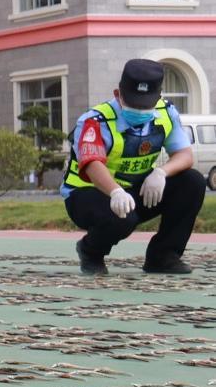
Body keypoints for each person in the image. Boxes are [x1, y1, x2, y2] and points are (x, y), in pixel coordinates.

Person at [63, 58, 204, 275]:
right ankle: (91, 251)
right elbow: (92, 164)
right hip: (88, 194)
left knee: (192, 182)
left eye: (146, 105)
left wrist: (161, 172)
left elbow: (184, 155)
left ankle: (163, 256)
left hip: (136, 191)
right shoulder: (95, 120)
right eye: (133, 104)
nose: (140, 111)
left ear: (158, 97)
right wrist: (115, 192)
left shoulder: (166, 113)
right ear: (118, 95)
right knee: (122, 217)